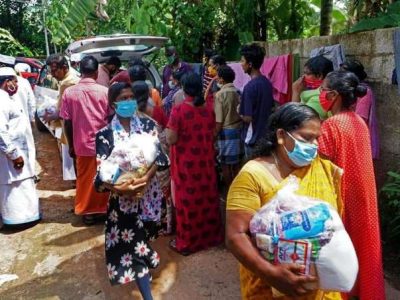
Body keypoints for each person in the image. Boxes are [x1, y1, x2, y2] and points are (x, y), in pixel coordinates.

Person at [226, 102, 343, 300]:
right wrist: (272, 274)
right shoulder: (253, 175)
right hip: (270, 288)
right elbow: (235, 236)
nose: (314, 145)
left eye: (317, 139)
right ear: (281, 136)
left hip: (320, 288)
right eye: (306, 138)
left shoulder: (321, 169)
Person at [94, 82, 169, 300]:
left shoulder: (148, 126)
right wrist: (120, 187)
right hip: (123, 201)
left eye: (131, 97)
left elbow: (160, 157)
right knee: (135, 246)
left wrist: (145, 178)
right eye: (123, 98)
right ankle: (147, 295)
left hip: (150, 196)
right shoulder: (105, 135)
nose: (128, 102)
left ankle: (147, 259)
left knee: (144, 240)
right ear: (113, 103)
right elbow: (102, 172)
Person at [317, 70, 385, 300]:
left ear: (334, 95)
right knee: (364, 245)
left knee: (340, 248)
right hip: (364, 194)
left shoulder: (331, 125)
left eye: (323, 90)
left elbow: (322, 166)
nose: (320, 93)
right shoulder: (358, 122)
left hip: (343, 195)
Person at [166, 72, 223, 255]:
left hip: (186, 165)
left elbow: (171, 138)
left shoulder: (179, 110)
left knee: (187, 201)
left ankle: (187, 242)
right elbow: (213, 132)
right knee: (207, 196)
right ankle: (210, 237)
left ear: (183, 88)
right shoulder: (208, 109)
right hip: (205, 161)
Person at [59, 55, 111, 225]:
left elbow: (67, 121)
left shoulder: (69, 93)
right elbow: (111, 118)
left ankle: (87, 211)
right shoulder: (106, 92)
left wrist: (71, 144)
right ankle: (102, 209)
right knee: (104, 177)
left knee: (85, 179)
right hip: (103, 145)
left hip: (81, 144)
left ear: (81, 72)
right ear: (96, 73)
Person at [0, 67, 40, 227]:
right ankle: (17, 220)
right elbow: (1, 132)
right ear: (6, 82)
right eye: (15, 81)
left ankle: (28, 216)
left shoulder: (8, 98)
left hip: (19, 150)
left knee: (23, 185)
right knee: (14, 188)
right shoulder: (1, 101)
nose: (17, 85)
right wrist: (13, 154)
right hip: (10, 155)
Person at [43, 54, 80, 182]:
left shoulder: (68, 82)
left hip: (71, 127)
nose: (52, 74)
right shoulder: (69, 78)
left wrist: (49, 116)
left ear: (64, 67)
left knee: (73, 155)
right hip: (71, 125)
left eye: (54, 71)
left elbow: (64, 112)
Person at [239, 43, 274, 158]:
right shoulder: (267, 83)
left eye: (242, 61)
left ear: (250, 64)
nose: (241, 64)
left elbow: (248, 118)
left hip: (252, 139)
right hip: (265, 137)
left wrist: (238, 111)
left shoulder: (249, 87)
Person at [340, 59, 380, 159]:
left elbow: (361, 118)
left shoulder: (364, 91)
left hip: (356, 133)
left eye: (344, 72)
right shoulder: (346, 89)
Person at [214, 65, 242, 189]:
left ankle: (229, 192)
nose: (217, 80)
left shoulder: (219, 95)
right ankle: (238, 191)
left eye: (218, 77)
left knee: (225, 165)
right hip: (239, 130)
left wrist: (214, 135)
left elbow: (219, 121)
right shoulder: (238, 92)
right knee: (237, 165)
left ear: (222, 79)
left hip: (226, 132)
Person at [292, 56, 334, 120]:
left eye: (307, 74)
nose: (303, 77)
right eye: (304, 73)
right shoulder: (317, 90)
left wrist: (296, 92)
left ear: (319, 76)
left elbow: (295, 118)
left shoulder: (319, 99)